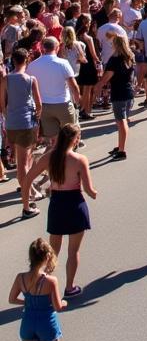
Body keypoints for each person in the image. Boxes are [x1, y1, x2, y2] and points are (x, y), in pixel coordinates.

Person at [23, 123, 96, 298]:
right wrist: (95, 193)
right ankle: (69, 287)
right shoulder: (79, 160)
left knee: (52, 251)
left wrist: (25, 202)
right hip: (75, 205)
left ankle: (43, 285)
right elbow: (89, 190)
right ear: (76, 139)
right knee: (73, 251)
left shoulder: (49, 157)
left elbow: (28, 179)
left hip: (57, 205)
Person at [8, 238, 65, 341]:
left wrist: (27, 302)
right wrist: (64, 302)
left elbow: (12, 299)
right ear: (47, 257)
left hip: (27, 323)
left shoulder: (20, 278)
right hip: (46, 324)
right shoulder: (51, 281)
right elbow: (58, 307)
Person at [2, 48, 42, 215]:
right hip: (26, 123)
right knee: (23, 165)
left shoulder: (6, 79)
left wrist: (7, 116)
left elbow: (2, 102)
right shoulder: (31, 79)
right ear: (26, 60)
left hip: (12, 123)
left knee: (23, 160)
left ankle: (31, 190)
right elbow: (39, 104)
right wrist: (37, 120)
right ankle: (29, 196)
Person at [26, 39, 79, 148]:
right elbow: (73, 85)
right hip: (63, 104)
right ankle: (70, 160)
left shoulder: (32, 65)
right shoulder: (63, 63)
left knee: (53, 141)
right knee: (70, 137)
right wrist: (77, 101)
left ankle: (56, 162)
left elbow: (28, 87)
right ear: (57, 47)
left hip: (44, 106)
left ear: (42, 48)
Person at [94, 35, 135, 160]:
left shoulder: (114, 60)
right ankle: (120, 146)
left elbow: (106, 77)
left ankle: (122, 150)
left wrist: (98, 87)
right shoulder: (129, 57)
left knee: (121, 121)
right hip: (128, 92)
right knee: (123, 121)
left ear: (116, 45)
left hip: (119, 93)